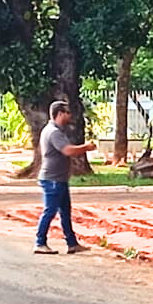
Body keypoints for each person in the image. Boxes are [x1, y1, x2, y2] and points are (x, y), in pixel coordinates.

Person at [34, 100, 96, 255]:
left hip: (58, 179)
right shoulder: (54, 132)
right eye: (67, 112)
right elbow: (68, 151)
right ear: (59, 114)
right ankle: (40, 242)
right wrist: (86, 147)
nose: (69, 115)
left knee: (65, 212)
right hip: (53, 179)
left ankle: (72, 243)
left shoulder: (54, 130)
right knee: (50, 211)